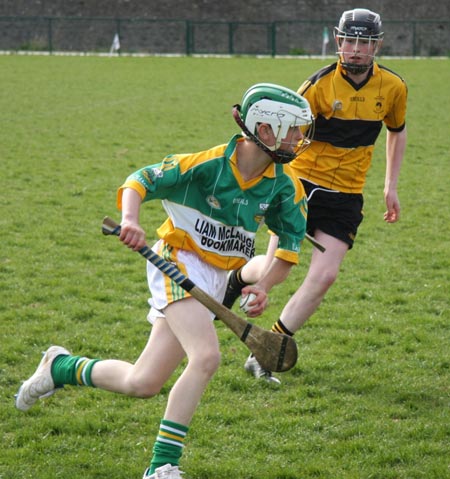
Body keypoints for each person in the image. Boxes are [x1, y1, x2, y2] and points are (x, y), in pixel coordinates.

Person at [15, 83, 314, 478]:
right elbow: (140, 180)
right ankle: (162, 467)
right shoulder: (205, 166)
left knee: (144, 382)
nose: (299, 139)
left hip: (216, 276)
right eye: (292, 129)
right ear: (263, 129)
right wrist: (131, 220)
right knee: (206, 358)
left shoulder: (285, 186)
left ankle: (61, 367)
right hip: (176, 262)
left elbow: (289, 248)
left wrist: (263, 286)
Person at [222, 8, 408, 384]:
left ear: (377, 46)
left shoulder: (393, 88)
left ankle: (268, 347)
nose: (356, 50)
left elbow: (397, 131)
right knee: (278, 267)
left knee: (325, 276)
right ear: (338, 41)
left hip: (347, 194)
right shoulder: (317, 86)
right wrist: (274, 181)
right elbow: (284, 140)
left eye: (365, 42)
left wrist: (390, 186)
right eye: (350, 41)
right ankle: (242, 278)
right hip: (301, 184)